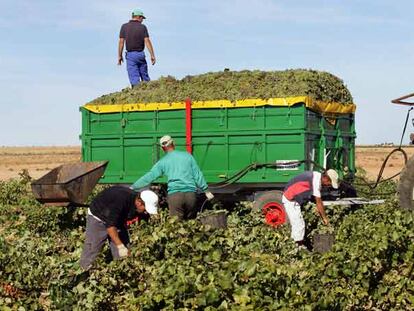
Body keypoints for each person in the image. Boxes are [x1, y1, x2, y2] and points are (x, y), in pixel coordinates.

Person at [131, 135, 214, 220]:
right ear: (173, 143)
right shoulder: (187, 156)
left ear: (163, 148)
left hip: (175, 196)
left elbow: (150, 176)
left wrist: (133, 186)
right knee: (191, 224)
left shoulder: (163, 162)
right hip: (191, 195)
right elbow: (197, 174)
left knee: (177, 226)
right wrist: (206, 190)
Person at [80, 186, 158, 270]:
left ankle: (122, 270)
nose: (146, 211)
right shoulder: (121, 200)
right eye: (145, 209)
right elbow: (110, 227)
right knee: (93, 248)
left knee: (124, 252)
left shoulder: (135, 202)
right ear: (139, 202)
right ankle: (85, 272)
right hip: (98, 215)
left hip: (116, 218)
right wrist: (120, 246)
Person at [282, 169, 339, 246]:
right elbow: (319, 202)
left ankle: (296, 244)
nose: (328, 185)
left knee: (299, 224)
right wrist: (325, 218)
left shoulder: (316, 176)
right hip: (290, 200)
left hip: (295, 199)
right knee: (298, 225)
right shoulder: (315, 181)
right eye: (329, 183)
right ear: (325, 178)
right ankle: (295, 246)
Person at [118, 8, 156, 87]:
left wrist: (119, 55)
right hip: (141, 55)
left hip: (131, 55)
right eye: (142, 18)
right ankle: (148, 90)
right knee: (145, 76)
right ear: (138, 17)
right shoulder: (143, 27)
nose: (142, 20)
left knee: (134, 78)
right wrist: (152, 55)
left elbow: (121, 42)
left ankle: (137, 92)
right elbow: (147, 41)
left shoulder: (124, 27)